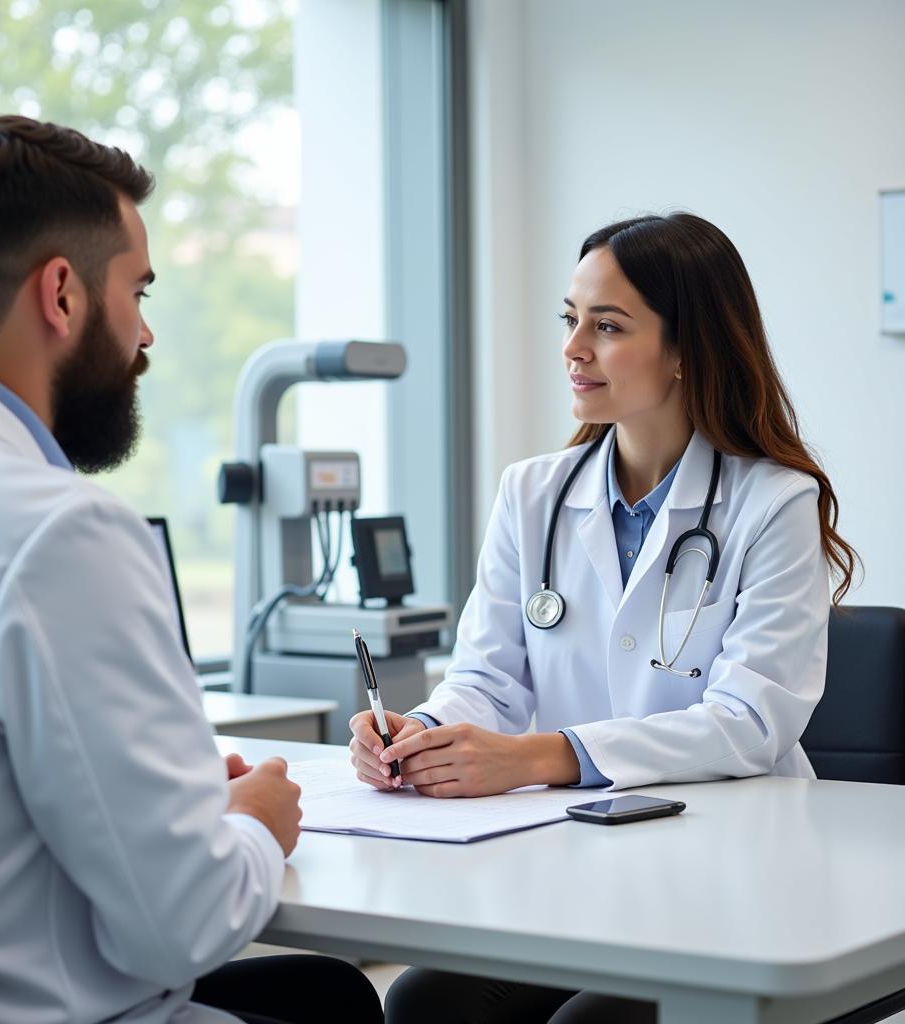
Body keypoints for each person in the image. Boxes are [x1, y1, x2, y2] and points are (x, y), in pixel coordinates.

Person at [0, 116, 383, 1024]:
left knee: (327, 997)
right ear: (62, 294)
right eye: (138, 292)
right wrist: (253, 824)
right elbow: (183, 925)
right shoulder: (56, 532)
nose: (146, 335)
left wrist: (181, 805)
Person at [349, 212, 857, 1023]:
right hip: (572, 868)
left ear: (688, 347)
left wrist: (540, 756)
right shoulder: (533, 494)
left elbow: (748, 722)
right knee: (424, 1002)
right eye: (570, 319)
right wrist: (425, 733)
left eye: (608, 325)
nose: (574, 347)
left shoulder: (773, 502)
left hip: (733, 879)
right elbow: (488, 675)